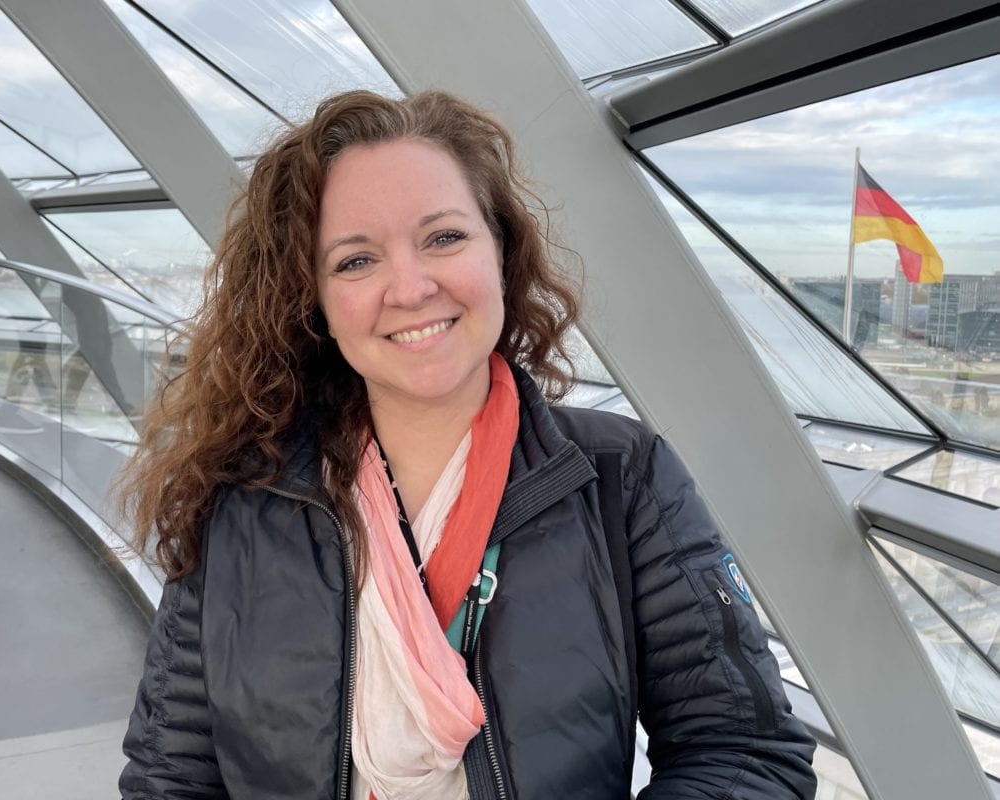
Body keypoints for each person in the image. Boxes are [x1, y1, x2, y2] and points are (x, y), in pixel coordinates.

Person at [117, 90, 817, 799]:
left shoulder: (618, 478)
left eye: (444, 238)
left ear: (501, 251)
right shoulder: (244, 495)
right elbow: (170, 775)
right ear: (315, 303)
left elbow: (743, 751)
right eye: (356, 261)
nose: (412, 287)